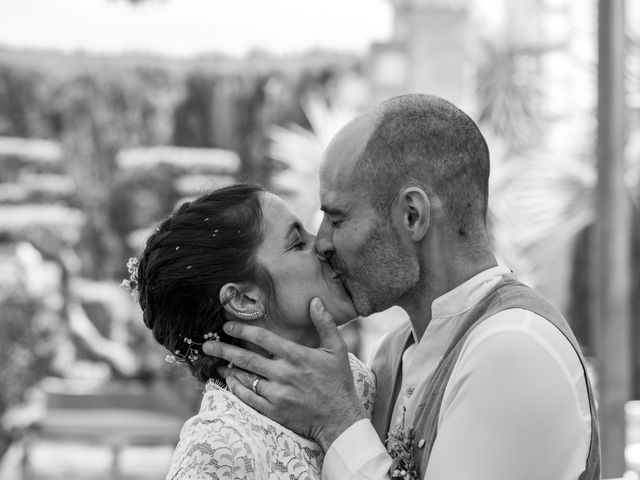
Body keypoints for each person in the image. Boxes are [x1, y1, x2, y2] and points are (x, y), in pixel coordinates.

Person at [203, 94, 600, 480]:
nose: (322, 242)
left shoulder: (514, 349)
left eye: (337, 219)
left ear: (413, 215)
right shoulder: (391, 356)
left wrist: (337, 421)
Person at [127, 184, 375, 479]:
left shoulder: (363, 381)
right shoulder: (218, 450)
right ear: (243, 299)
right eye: (297, 243)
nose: (323, 243)